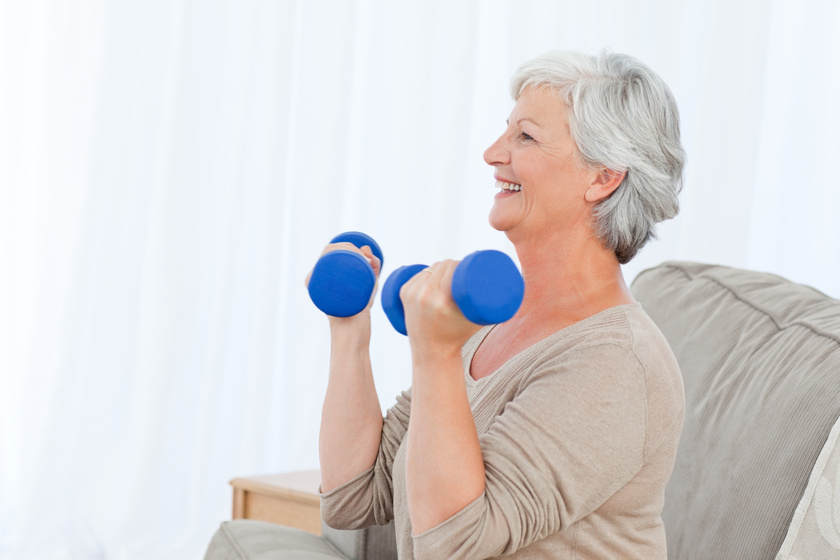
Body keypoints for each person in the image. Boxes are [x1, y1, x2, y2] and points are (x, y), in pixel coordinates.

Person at [312, 49, 686, 559]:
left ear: (603, 177)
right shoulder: (486, 327)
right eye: (504, 131)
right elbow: (353, 497)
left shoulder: (618, 363)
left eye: (525, 137)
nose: (492, 153)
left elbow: (453, 545)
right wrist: (349, 327)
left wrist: (436, 352)